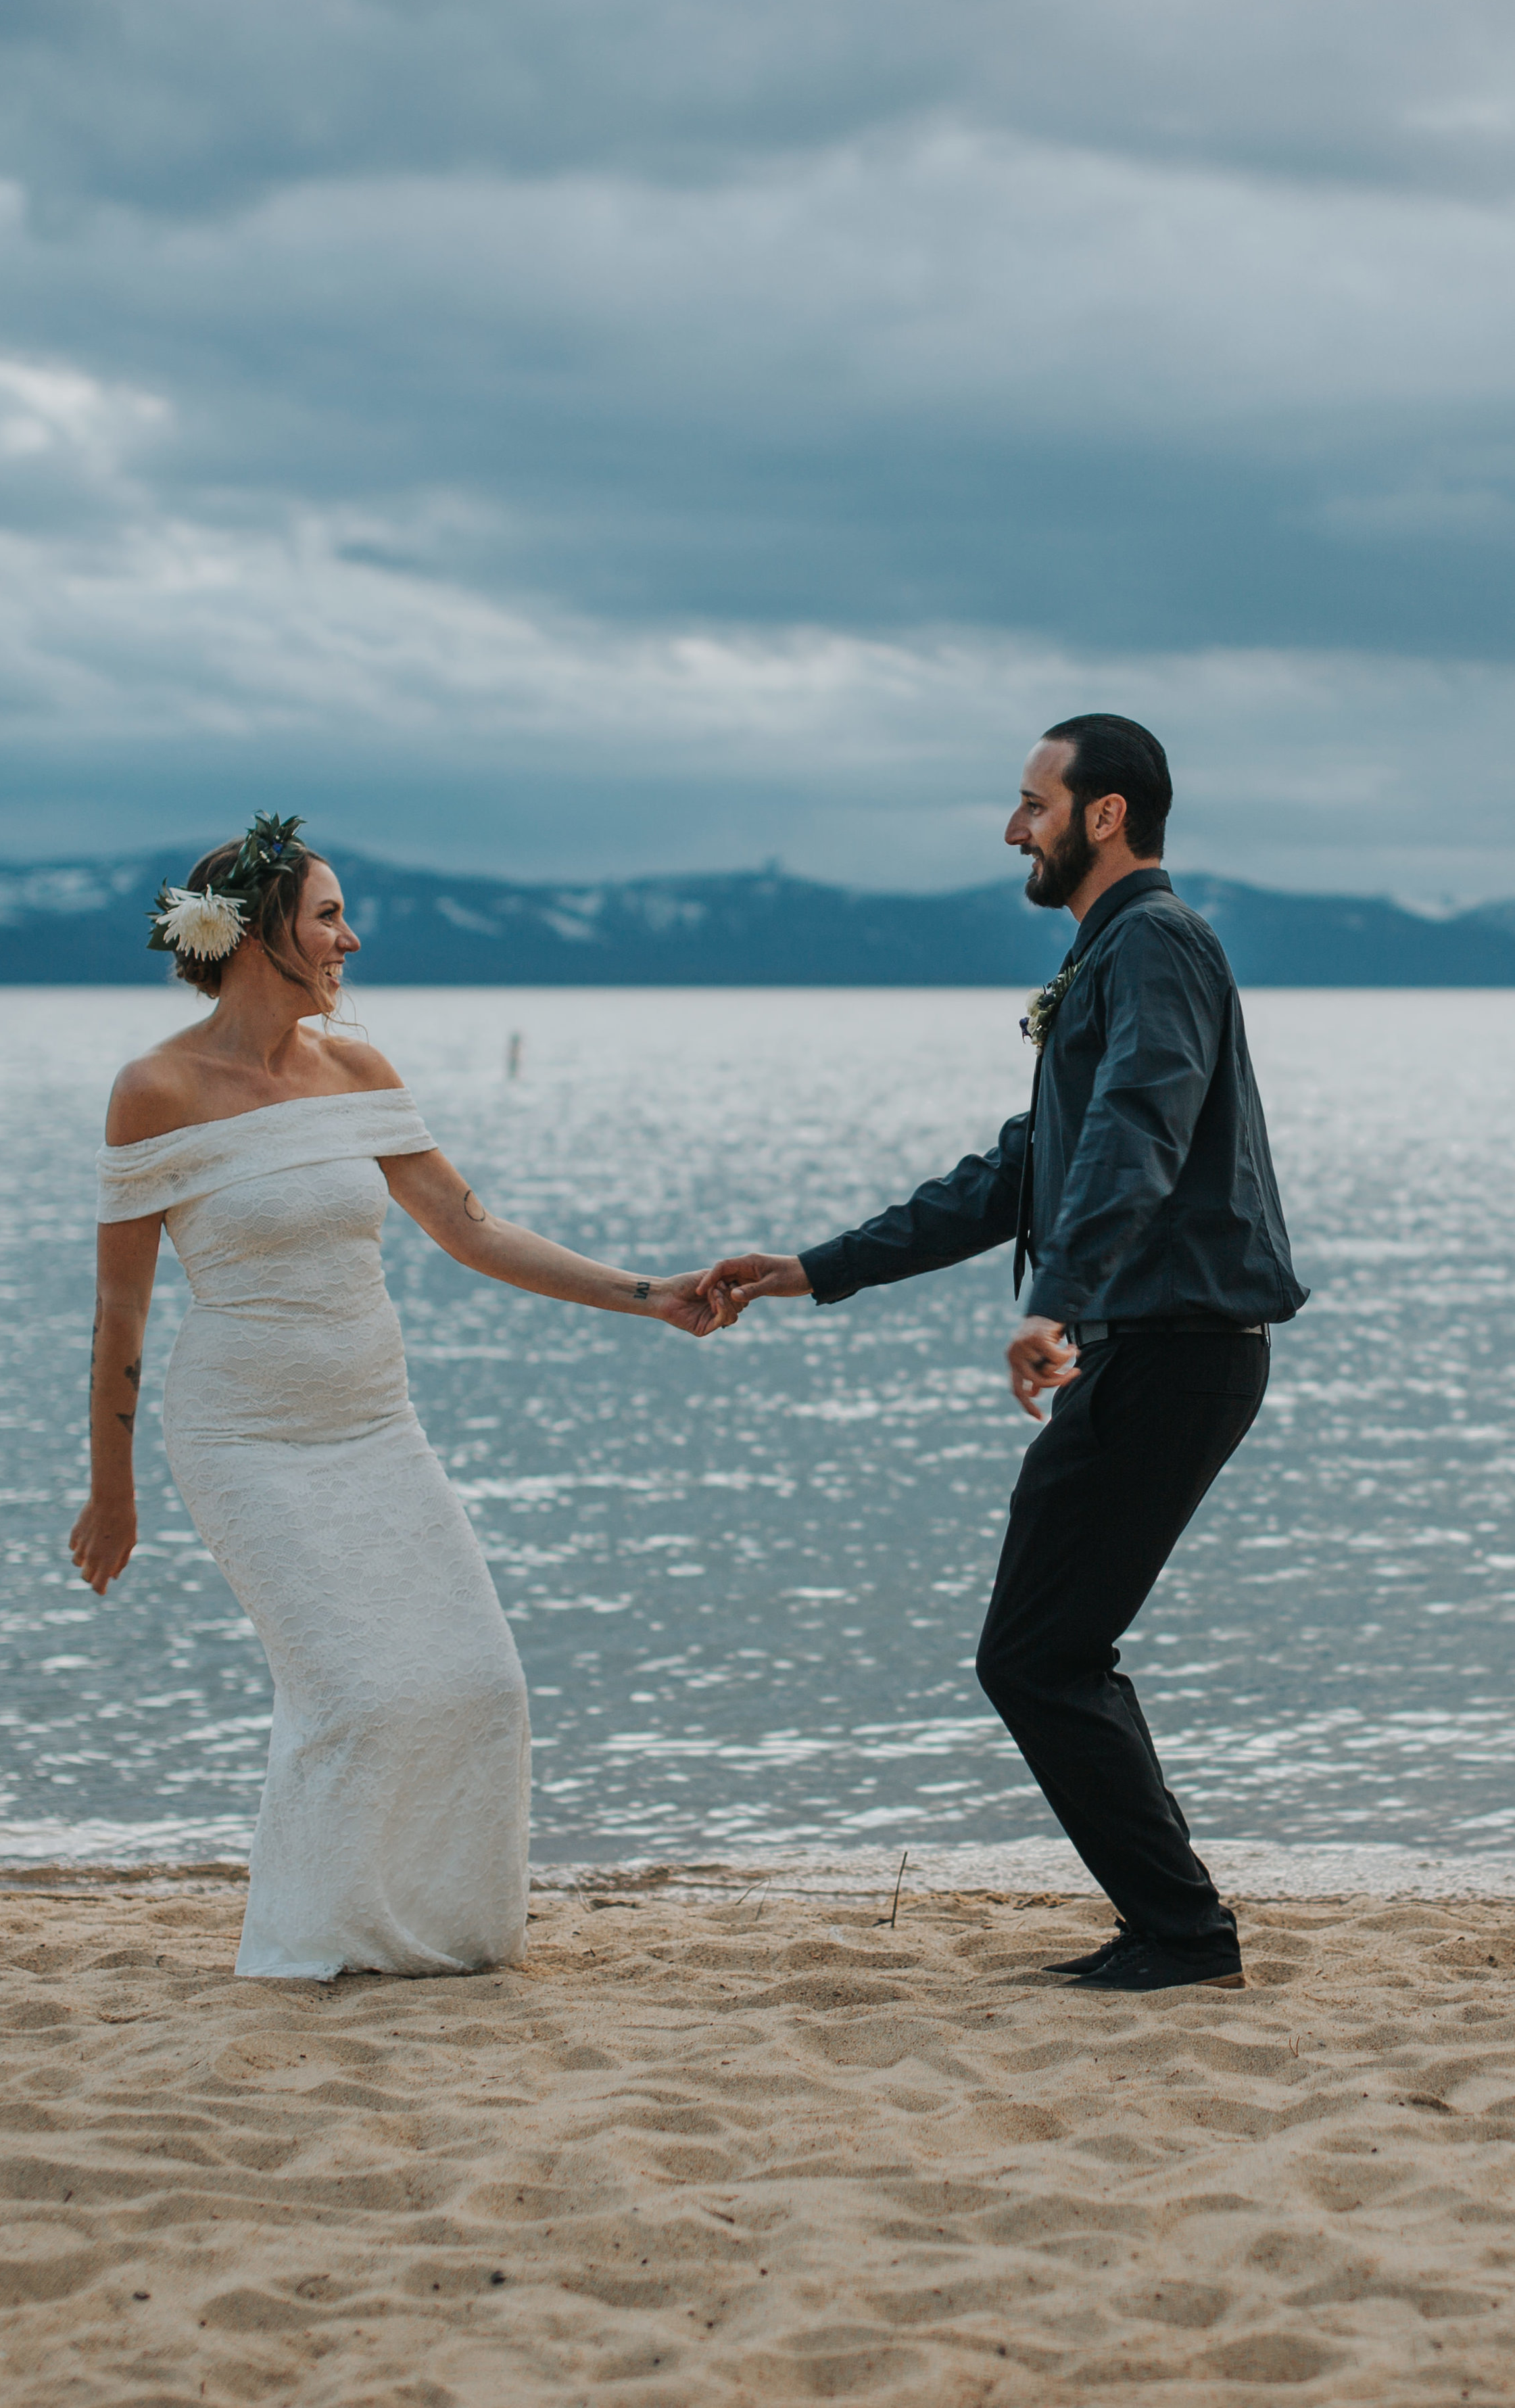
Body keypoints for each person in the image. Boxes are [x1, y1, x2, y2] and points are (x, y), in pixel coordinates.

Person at [700, 717, 1306, 1993]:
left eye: (1033, 804)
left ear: (1103, 816)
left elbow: (1138, 1126)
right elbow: (1019, 1170)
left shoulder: (1152, 944)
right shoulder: (1115, 954)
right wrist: (814, 1265)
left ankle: (1186, 1936)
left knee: (1038, 1651)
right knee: (1045, 1647)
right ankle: (1176, 1928)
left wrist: (1061, 1299)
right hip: (1150, 1345)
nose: (1011, 828)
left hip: (1169, 1347)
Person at [69, 813, 731, 1981]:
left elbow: (470, 1228)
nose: (351, 939)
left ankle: (447, 1943)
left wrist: (653, 1293)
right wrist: (111, 1495)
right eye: (329, 916)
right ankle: (313, 1947)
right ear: (256, 932)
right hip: (244, 1437)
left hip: (377, 1425)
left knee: (480, 1682)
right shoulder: (154, 1090)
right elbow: (121, 1312)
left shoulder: (360, 1073)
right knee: (357, 1693)